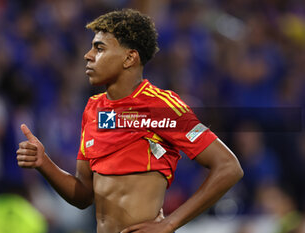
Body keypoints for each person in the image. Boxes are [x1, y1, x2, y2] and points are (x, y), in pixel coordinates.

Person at [16, 9, 244, 233]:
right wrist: (43, 162)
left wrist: (170, 223)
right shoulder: (93, 109)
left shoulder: (160, 106)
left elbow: (228, 167)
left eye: (99, 48)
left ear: (129, 58)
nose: (88, 55)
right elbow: (84, 195)